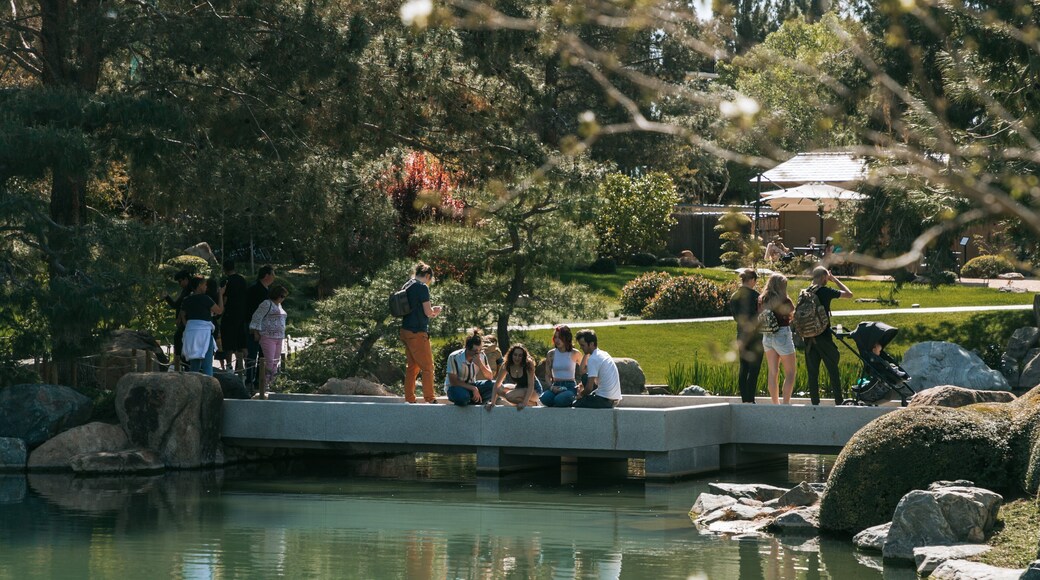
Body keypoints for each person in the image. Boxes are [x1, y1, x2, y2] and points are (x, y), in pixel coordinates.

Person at [803, 266, 853, 405]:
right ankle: (838, 401)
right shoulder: (825, 291)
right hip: (823, 336)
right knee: (833, 369)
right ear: (824, 277)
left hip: (808, 337)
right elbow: (849, 294)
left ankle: (815, 403)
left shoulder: (805, 292)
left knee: (812, 373)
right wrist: (835, 279)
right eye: (827, 277)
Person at [400, 261, 444, 403]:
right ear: (427, 276)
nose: (429, 282)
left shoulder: (408, 284)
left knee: (412, 367)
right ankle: (430, 398)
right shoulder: (422, 287)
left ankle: (409, 398)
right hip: (417, 332)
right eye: (430, 279)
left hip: (405, 330)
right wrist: (435, 311)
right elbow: (427, 312)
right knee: (428, 367)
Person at [759, 273, 796, 404]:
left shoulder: (763, 299)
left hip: (767, 336)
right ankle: (785, 404)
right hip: (782, 335)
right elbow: (792, 311)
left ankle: (775, 404)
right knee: (790, 373)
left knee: (773, 372)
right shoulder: (784, 300)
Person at [249, 285, 289, 399]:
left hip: (279, 337)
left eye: (284, 297)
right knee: (269, 361)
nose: (283, 298)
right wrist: (256, 331)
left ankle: (273, 383)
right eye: (282, 296)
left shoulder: (279, 305)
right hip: (268, 336)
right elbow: (256, 317)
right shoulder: (266, 304)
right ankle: (265, 384)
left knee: (276, 361)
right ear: (277, 295)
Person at [729, 269, 763, 403]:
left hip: (741, 334)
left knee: (743, 367)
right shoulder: (756, 296)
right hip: (755, 336)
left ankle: (744, 399)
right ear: (752, 280)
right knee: (754, 369)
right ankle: (751, 399)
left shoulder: (734, 296)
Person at [178, 275, 224, 376]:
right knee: (207, 366)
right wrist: (220, 294)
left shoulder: (187, 299)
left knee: (194, 365)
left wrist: (187, 325)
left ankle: (194, 384)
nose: (206, 287)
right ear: (199, 285)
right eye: (205, 285)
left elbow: (182, 314)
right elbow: (219, 311)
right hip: (204, 333)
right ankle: (209, 385)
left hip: (191, 333)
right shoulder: (206, 299)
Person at [244, 266, 276, 391]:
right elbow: (252, 311)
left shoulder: (267, 290)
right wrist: (255, 329)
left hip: (265, 327)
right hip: (254, 326)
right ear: (266, 275)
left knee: (263, 355)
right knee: (252, 354)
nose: (274, 277)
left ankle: (259, 380)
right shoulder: (254, 289)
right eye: (273, 274)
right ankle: (249, 380)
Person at [572, 329, 622, 409]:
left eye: (583, 345)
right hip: (614, 399)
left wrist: (580, 395)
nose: (581, 348)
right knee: (585, 377)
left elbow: (589, 388)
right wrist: (586, 353)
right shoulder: (603, 354)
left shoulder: (593, 359)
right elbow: (582, 371)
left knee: (575, 404)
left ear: (591, 344)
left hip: (604, 400)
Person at [445, 329, 496, 406]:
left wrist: (480, 364)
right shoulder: (454, 357)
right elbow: (453, 382)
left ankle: (475, 401)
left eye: (480, 350)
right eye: (475, 351)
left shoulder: (482, 355)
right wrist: (473, 388)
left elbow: (490, 377)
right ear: (467, 348)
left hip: (472, 384)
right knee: (463, 397)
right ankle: (471, 401)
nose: (477, 353)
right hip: (456, 387)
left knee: (495, 386)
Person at [486, 343, 542, 411]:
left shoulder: (528, 364)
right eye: (515, 355)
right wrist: (492, 402)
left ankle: (533, 404)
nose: (517, 358)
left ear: (523, 357)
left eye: (520, 356)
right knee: (499, 389)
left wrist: (524, 403)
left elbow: (531, 385)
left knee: (509, 396)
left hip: (534, 390)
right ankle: (524, 403)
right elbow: (497, 384)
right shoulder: (506, 364)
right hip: (519, 387)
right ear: (511, 355)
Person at [540, 325, 583, 408]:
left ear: (567, 338)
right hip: (556, 385)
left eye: (560, 337)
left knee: (559, 399)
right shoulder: (551, 354)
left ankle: (566, 399)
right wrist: (551, 387)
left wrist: (581, 385)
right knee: (544, 398)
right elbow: (547, 375)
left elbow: (585, 370)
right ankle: (562, 401)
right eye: (555, 337)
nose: (557, 340)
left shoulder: (575, 353)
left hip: (570, 386)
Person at [220, 259, 250, 373]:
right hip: (241, 314)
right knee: (242, 342)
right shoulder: (242, 280)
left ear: (224, 269)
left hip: (229, 314)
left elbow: (225, 299)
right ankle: (246, 366)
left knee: (228, 343)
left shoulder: (226, 281)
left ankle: (229, 367)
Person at [163, 269, 192, 370]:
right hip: (183, 321)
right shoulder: (185, 290)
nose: (179, 284)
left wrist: (180, 317)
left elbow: (180, 305)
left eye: (180, 281)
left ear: (186, 279)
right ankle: (180, 360)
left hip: (187, 321)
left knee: (179, 338)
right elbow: (177, 305)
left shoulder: (189, 290)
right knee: (179, 339)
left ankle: (179, 360)